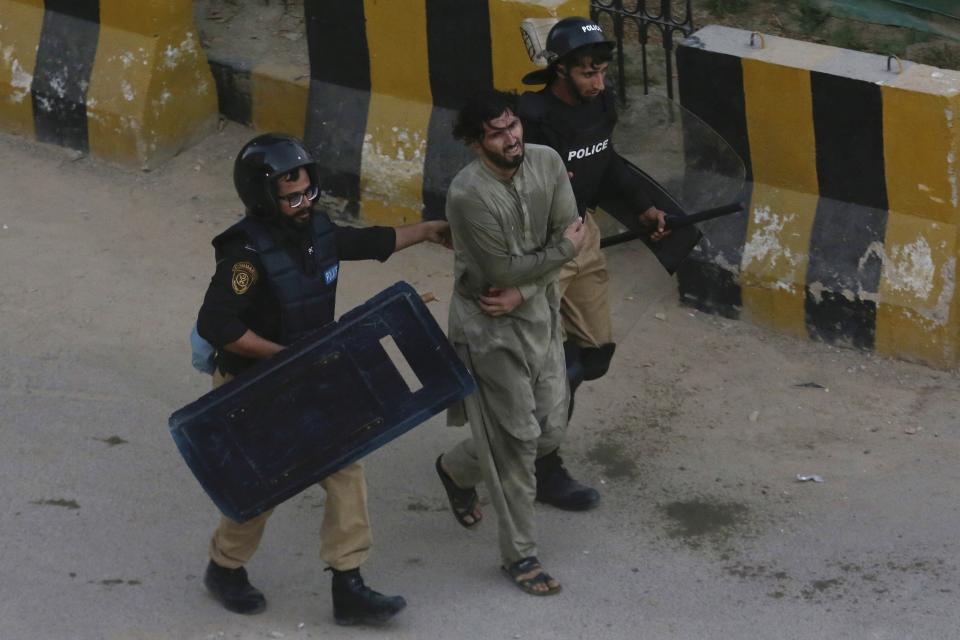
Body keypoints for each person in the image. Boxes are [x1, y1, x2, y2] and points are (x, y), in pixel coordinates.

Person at [195, 133, 450, 624]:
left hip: (303, 376)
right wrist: (284, 355)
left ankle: (348, 584)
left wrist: (429, 230)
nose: (304, 203)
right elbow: (218, 325)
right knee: (263, 485)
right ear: (263, 197)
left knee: (345, 468)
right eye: (291, 196)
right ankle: (225, 567)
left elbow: (373, 241)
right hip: (252, 388)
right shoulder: (244, 255)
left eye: (309, 192)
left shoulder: (318, 231)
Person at [434, 90, 587, 596]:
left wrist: (527, 285)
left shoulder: (546, 162)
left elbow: (558, 240)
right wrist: (563, 250)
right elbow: (503, 269)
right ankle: (520, 556)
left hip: (537, 314)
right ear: (477, 143)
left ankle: (458, 469)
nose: (512, 137)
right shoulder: (468, 194)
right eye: (498, 132)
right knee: (519, 443)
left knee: (550, 430)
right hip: (489, 326)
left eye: (513, 125)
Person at [514, 16, 669, 510]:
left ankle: (531, 419)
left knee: (593, 354)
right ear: (559, 70)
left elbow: (606, 160)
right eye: (586, 71)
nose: (598, 81)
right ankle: (542, 464)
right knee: (551, 367)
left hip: (585, 237)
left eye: (601, 70)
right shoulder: (529, 117)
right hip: (538, 248)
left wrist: (643, 202)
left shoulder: (601, 103)